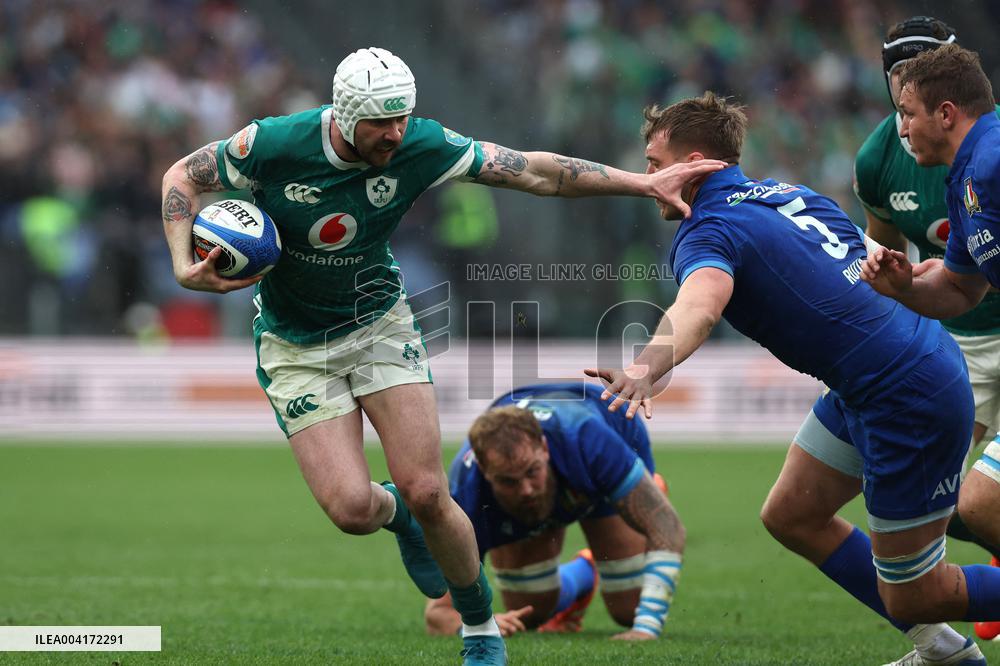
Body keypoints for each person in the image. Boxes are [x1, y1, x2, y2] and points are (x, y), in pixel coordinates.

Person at [159, 47, 722, 666]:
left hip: (379, 324)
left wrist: (641, 182)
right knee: (352, 510)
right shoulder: (274, 143)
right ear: (344, 115)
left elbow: (534, 172)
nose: (395, 133)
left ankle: (479, 631)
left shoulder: (420, 145)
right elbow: (182, 177)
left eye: (403, 117)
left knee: (429, 489)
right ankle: (396, 516)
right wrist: (184, 264)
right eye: (381, 122)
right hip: (294, 348)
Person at [585, 91, 1000, 666]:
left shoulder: (708, 227)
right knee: (792, 515)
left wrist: (645, 365)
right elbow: (869, 265)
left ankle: (940, 642)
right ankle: (943, 651)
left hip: (903, 392)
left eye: (655, 164)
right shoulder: (789, 193)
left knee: (916, 593)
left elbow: (700, 304)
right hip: (888, 370)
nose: (647, 178)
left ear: (694, 163)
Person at [859, 42, 1000, 645]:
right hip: (972, 342)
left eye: (908, 113)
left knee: (980, 503)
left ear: (945, 113)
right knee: (967, 501)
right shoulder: (965, 176)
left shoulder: (993, 160)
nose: (901, 127)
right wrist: (902, 288)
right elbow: (962, 289)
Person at [423, 383, 685, 641]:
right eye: (508, 481)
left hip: (600, 458)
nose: (526, 490)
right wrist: (481, 624)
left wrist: (646, 628)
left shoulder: (588, 439)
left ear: (545, 448)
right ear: (484, 470)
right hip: (556, 479)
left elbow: (668, 528)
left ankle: (637, 489)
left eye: (532, 471)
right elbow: (438, 613)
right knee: (529, 611)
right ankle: (585, 570)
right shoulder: (466, 491)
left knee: (629, 609)